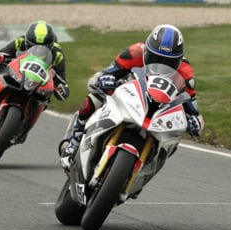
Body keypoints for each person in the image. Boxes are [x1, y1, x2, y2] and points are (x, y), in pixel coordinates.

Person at [59, 24, 204, 170]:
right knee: (94, 98)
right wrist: (104, 79)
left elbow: (193, 108)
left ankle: (148, 168)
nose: (160, 66)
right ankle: (74, 143)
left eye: (169, 63)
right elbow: (102, 76)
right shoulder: (135, 53)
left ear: (179, 60)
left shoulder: (186, 72)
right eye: (155, 59)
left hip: (160, 111)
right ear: (146, 51)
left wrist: (195, 122)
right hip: (129, 96)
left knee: (175, 137)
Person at [0, 20, 70, 112]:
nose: (38, 50)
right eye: (33, 45)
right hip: (16, 73)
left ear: (51, 46)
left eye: (44, 48)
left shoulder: (58, 54)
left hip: (37, 85)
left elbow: (62, 81)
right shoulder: (20, 42)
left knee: (45, 100)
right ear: (27, 42)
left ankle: (26, 123)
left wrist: (60, 87)